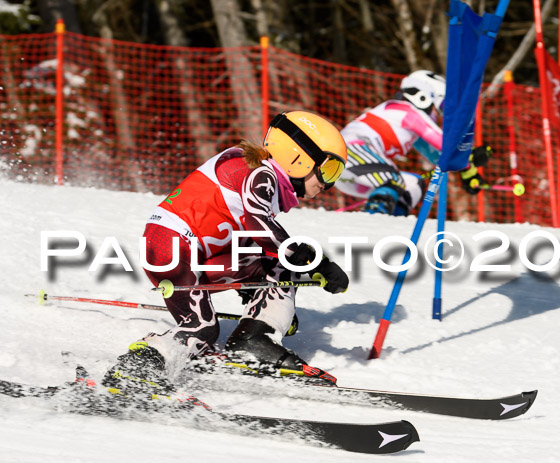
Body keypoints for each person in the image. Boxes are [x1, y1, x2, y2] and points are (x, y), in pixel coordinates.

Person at [102, 111, 349, 398]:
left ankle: (254, 339)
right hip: (172, 247)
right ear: (299, 158)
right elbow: (259, 225)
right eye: (328, 170)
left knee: (278, 265)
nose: (328, 183)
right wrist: (317, 261)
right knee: (201, 328)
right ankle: (139, 367)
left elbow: (253, 235)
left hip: (190, 251)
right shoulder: (261, 173)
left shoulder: (260, 170)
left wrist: (269, 298)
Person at [335, 69, 493, 215]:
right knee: (393, 180)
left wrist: (466, 171)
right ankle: (373, 220)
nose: (438, 114)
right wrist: (469, 153)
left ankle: (393, 221)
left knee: (413, 183)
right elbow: (443, 143)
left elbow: (440, 156)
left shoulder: (408, 128)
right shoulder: (405, 110)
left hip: (352, 172)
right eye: (441, 106)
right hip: (349, 152)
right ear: (423, 96)